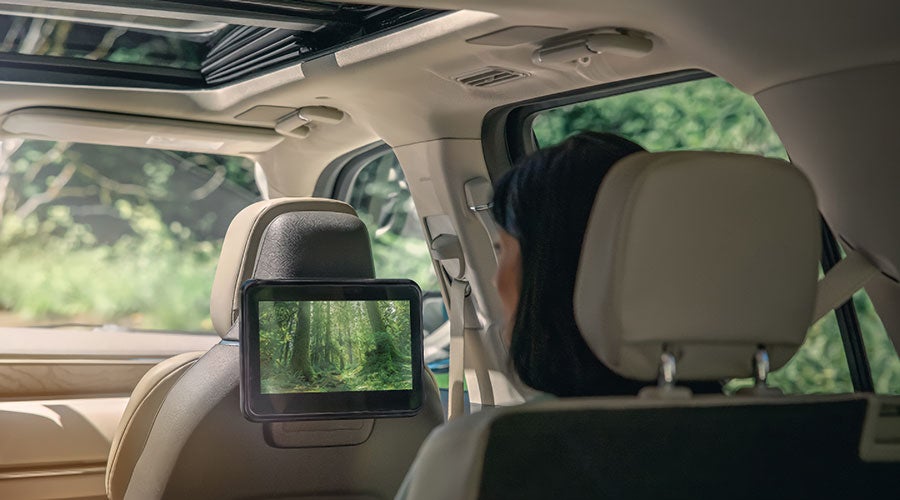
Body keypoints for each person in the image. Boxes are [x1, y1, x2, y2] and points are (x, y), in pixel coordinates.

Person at [490, 131, 650, 397]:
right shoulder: (743, 427)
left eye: (502, 250)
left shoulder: (491, 438)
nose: (495, 281)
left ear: (549, 276)